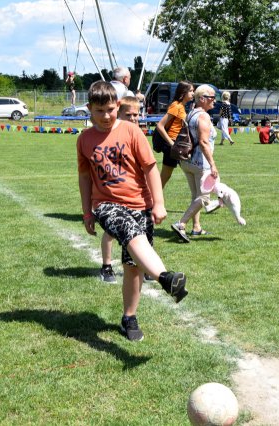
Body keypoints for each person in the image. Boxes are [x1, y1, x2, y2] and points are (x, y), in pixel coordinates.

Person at [77, 81, 188, 341]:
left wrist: (159, 203)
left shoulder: (131, 131)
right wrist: (87, 212)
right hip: (106, 204)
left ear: (117, 106)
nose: (106, 116)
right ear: (89, 110)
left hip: (140, 204)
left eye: (110, 110)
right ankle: (164, 278)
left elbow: (150, 167)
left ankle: (129, 317)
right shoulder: (84, 140)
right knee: (126, 231)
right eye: (99, 111)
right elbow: (84, 177)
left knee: (132, 267)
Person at [98, 96, 142, 283]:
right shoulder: (109, 134)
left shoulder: (136, 132)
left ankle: (142, 264)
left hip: (135, 192)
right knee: (112, 230)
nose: (133, 118)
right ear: (118, 112)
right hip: (113, 191)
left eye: (136, 115)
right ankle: (107, 266)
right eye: (128, 114)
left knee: (139, 229)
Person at [171, 85, 219, 242]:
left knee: (195, 196)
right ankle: (181, 223)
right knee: (204, 198)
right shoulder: (203, 116)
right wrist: (212, 164)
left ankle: (196, 227)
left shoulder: (191, 112)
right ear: (202, 99)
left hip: (187, 160)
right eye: (212, 97)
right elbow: (204, 142)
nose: (214, 101)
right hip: (200, 162)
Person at [155, 81, 194, 189]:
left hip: (178, 144)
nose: (193, 93)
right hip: (172, 144)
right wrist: (171, 143)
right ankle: (153, 200)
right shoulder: (176, 106)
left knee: (166, 176)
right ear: (183, 92)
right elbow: (160, 125)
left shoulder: (182, 106)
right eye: (190, 91)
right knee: (165, 176)